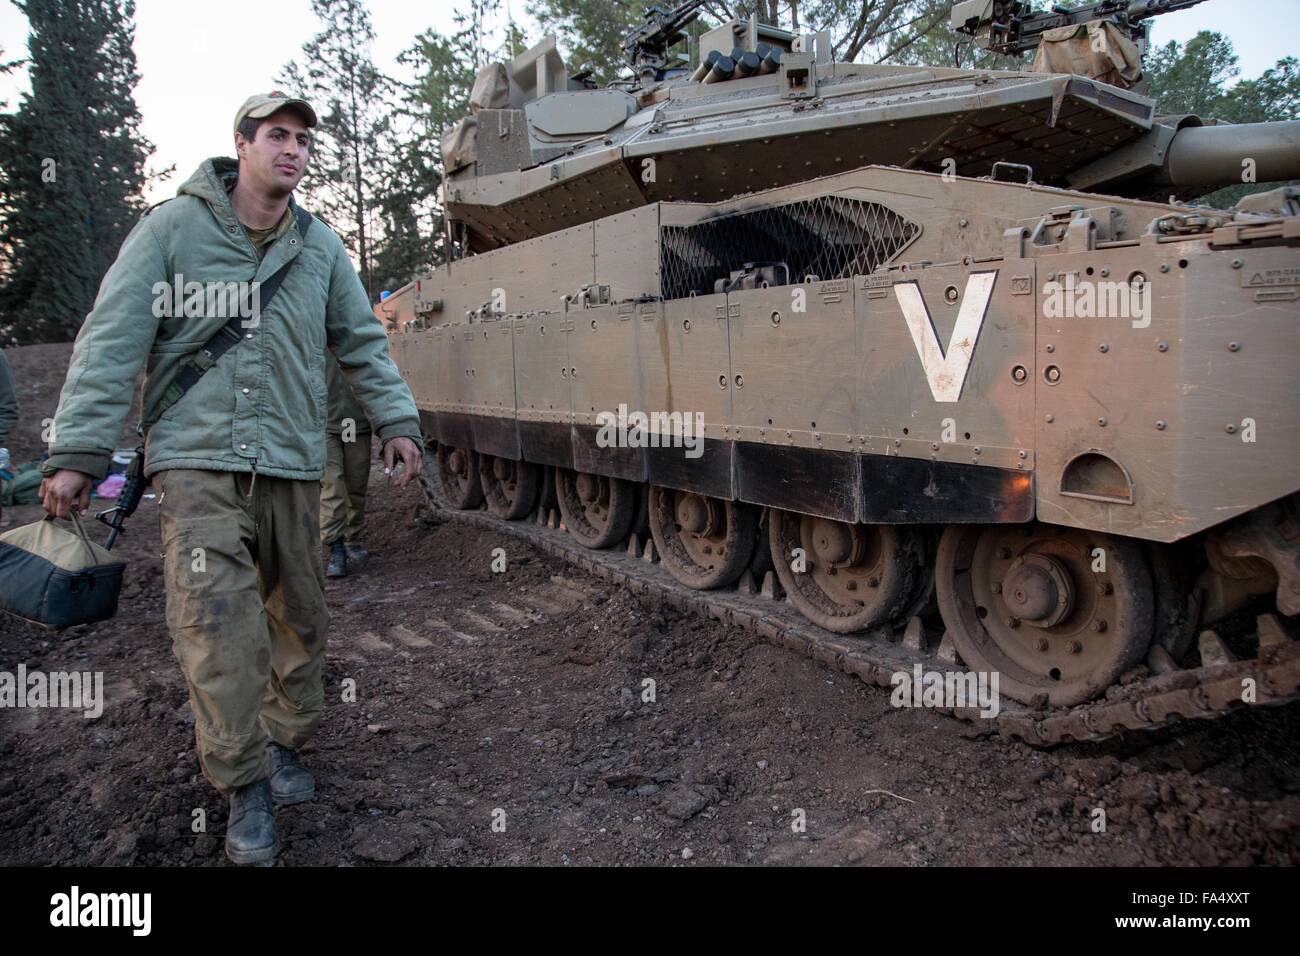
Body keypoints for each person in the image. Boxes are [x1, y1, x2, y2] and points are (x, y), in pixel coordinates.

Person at [39, 92, 423, 864]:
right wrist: (79, 451)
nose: (293, 149)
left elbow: (361, 342)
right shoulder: (171, 230)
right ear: (241, 144)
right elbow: (113, 339)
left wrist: (398, 421)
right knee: (218, 626)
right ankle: (245, 784)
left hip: (289, 459)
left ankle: (284, 740)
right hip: (196, 459)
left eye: (303, 140)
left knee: (301, 619)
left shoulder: (320, 248)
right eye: (277, 135)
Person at [320, 351, 374, 577]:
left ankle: (352, 538)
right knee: (333, 485)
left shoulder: (359, 335)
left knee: (356, 484)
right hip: (324, 423)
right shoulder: (313, 334)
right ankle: (336, 547)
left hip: (356, 423)